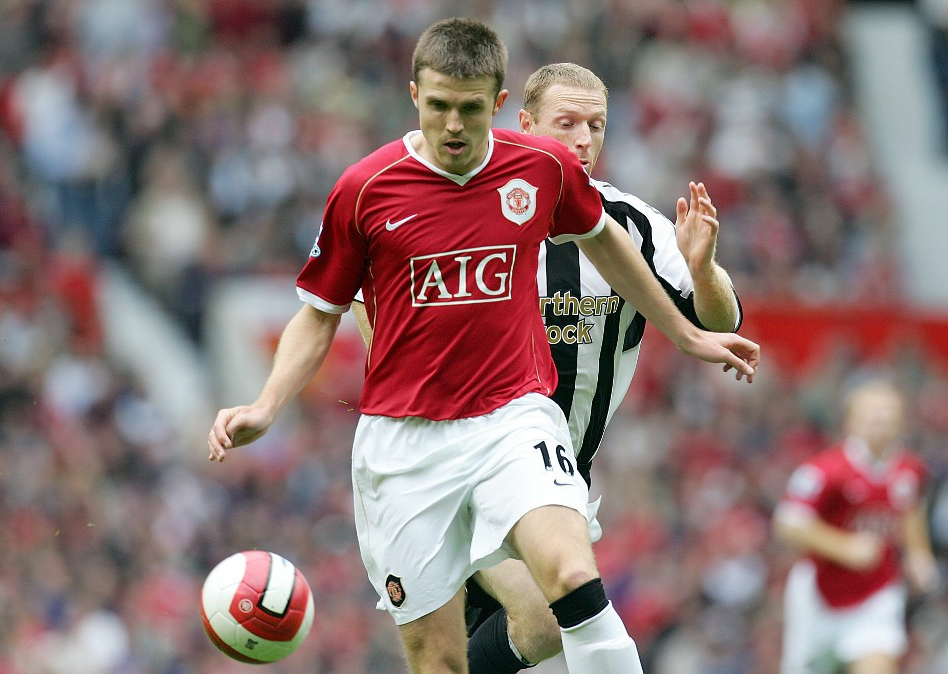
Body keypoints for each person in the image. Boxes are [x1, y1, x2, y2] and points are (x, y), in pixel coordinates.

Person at [207, 18, 759, 674]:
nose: (453, 124)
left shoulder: (548, 175)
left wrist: (689, 328)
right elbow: (322, 312)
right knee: (442, 661)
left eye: (470, 108)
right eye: (438, 105)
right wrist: (267, 406)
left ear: (497, 107)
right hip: (406, 449)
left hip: (514, 424)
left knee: (570, 581)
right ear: (415, 94)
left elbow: (608, 239)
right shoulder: (365, 189)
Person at [353, 62, 745, 673]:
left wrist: (700, 272)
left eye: (597, 125)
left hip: (561, 483)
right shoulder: (475, 209)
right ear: (527, 125)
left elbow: (720, 323)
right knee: (544, 618)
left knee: (532, 636)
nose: (584, 139)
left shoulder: (635, 227)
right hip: (460, 459)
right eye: (568, 123)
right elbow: (367, 286)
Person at [773, 378, 937, 674]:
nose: (879, 420)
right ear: (851, 421)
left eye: (887, 413)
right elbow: (788, 522)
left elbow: (912, 511)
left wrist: (918, 554)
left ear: (901, 422)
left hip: (877, 591)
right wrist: (844, 547)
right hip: (819, 594)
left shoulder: (910, 469)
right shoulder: (825, 470)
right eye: (871, 412)